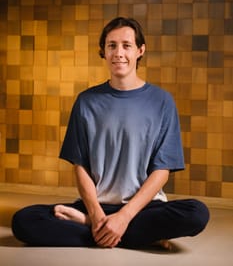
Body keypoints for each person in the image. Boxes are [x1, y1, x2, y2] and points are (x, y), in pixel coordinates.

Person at [12, 17, 209, 249]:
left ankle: (94, 229)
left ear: (140, 50)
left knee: (197, 213)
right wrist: (94, 214)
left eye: (126, 45)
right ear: (103, 52)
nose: (118, 53)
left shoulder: (162, 102)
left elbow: (162, 171)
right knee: (24, 221)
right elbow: (80, 166)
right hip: (97, 205)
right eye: (111, 45)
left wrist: (124, 216)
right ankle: (126, 234)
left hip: (143, 208)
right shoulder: (86, 102)